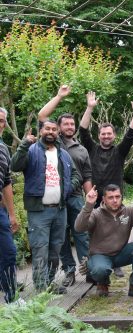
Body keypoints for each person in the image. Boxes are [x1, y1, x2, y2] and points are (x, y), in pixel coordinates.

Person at [79, 91, 133, 278]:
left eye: (109, 133)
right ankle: (94, 264)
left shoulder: (119, 152)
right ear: (99, 136)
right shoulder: (91, 149)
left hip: (114, 198)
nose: (106, 136)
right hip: (95, 198)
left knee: (118, 231)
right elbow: (83, 130)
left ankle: (116, 263)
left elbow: (131, 134)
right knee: (92, 232)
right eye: (103, 133)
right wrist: (90, 107)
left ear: (114, 136)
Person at [11, 121, 79, 294]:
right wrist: (24, 144)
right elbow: (15, 166)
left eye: (54, 129)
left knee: (55, 249)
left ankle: (49, 283)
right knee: (40, 248)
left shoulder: (63, 154)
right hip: (38, 210)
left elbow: (76, 174)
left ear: (58, 132)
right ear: (41, 131)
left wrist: (68, 189)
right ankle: (41, 288)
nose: (50, 132)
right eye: (47, 129)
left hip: (60, 210)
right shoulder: (31, 150)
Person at [38, 85, 93, 287]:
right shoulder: (55, 141)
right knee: (60, 237)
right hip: (56, 198)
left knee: (82, 234)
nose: (70, 127)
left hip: (77, 197)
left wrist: (90, 200)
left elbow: (86, 175)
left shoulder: (82, 149)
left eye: (72, 124)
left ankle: (89, 269)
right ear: (59, 128)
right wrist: (59, 96)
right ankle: (69, 271)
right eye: (66, 124)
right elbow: (42, 115)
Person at [74, 180, 133, 297]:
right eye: (110, 197)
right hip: (100, 255)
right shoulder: (96, 214)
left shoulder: (129, 212)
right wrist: (88, 205)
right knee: (100, 270)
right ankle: (102, 282)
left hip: (121, 253)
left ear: (121, 197)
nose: (115, 200)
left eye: (117, 196)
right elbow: (79, 227)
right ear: (104, 199)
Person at [0, 139, 18, 303]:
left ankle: (12, 298)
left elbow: (6, 182)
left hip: (0, 212)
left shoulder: (4, 149)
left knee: (8, 253)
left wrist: (11, 214)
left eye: (3, 120)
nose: (2, 124)